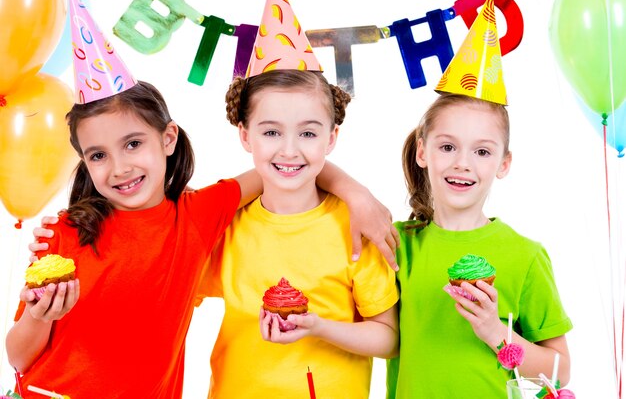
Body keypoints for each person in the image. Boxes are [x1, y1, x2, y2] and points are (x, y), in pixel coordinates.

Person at [6, 80, 396, 399]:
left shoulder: (198, 217)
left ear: (168, 138)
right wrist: (42, 316)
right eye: (97, 155)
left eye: (132, 143)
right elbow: (19, 358)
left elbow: (281, 166)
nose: (120, 168)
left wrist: (355, 193)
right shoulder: (64, 234)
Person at [199, 69, 398, 399]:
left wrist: (318, 328)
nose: (289, 150)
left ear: (331, 138)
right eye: (271, 132)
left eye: (307, 134)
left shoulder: (356, 227)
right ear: (245, 136)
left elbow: (389, 338)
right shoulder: (226, 226)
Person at [386, 92, 573, 398]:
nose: (462, 163)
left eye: (482, 152)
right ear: (422, 152)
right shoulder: (397, 245)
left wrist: (495, 333)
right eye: (447, 147)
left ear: (504, 163)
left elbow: (559, 372)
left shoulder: (526, 256)